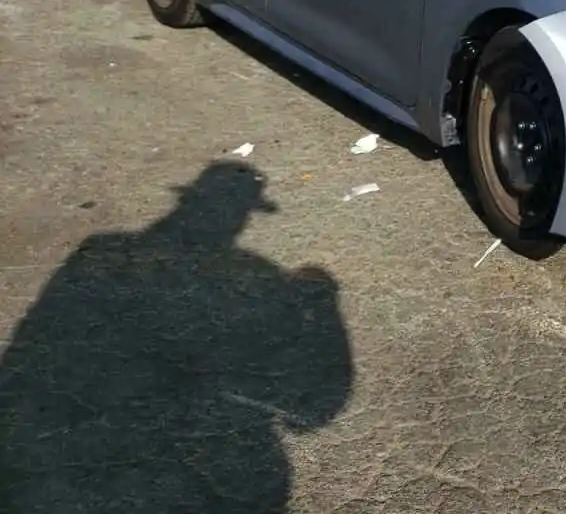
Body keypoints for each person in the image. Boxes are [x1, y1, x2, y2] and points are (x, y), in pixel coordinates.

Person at [0, 162, 353, 513]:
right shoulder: (256, 277)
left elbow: (36, 344)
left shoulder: (104, 250)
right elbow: (313, 408)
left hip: (85, 457)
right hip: (196, 475)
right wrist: (324, 305)